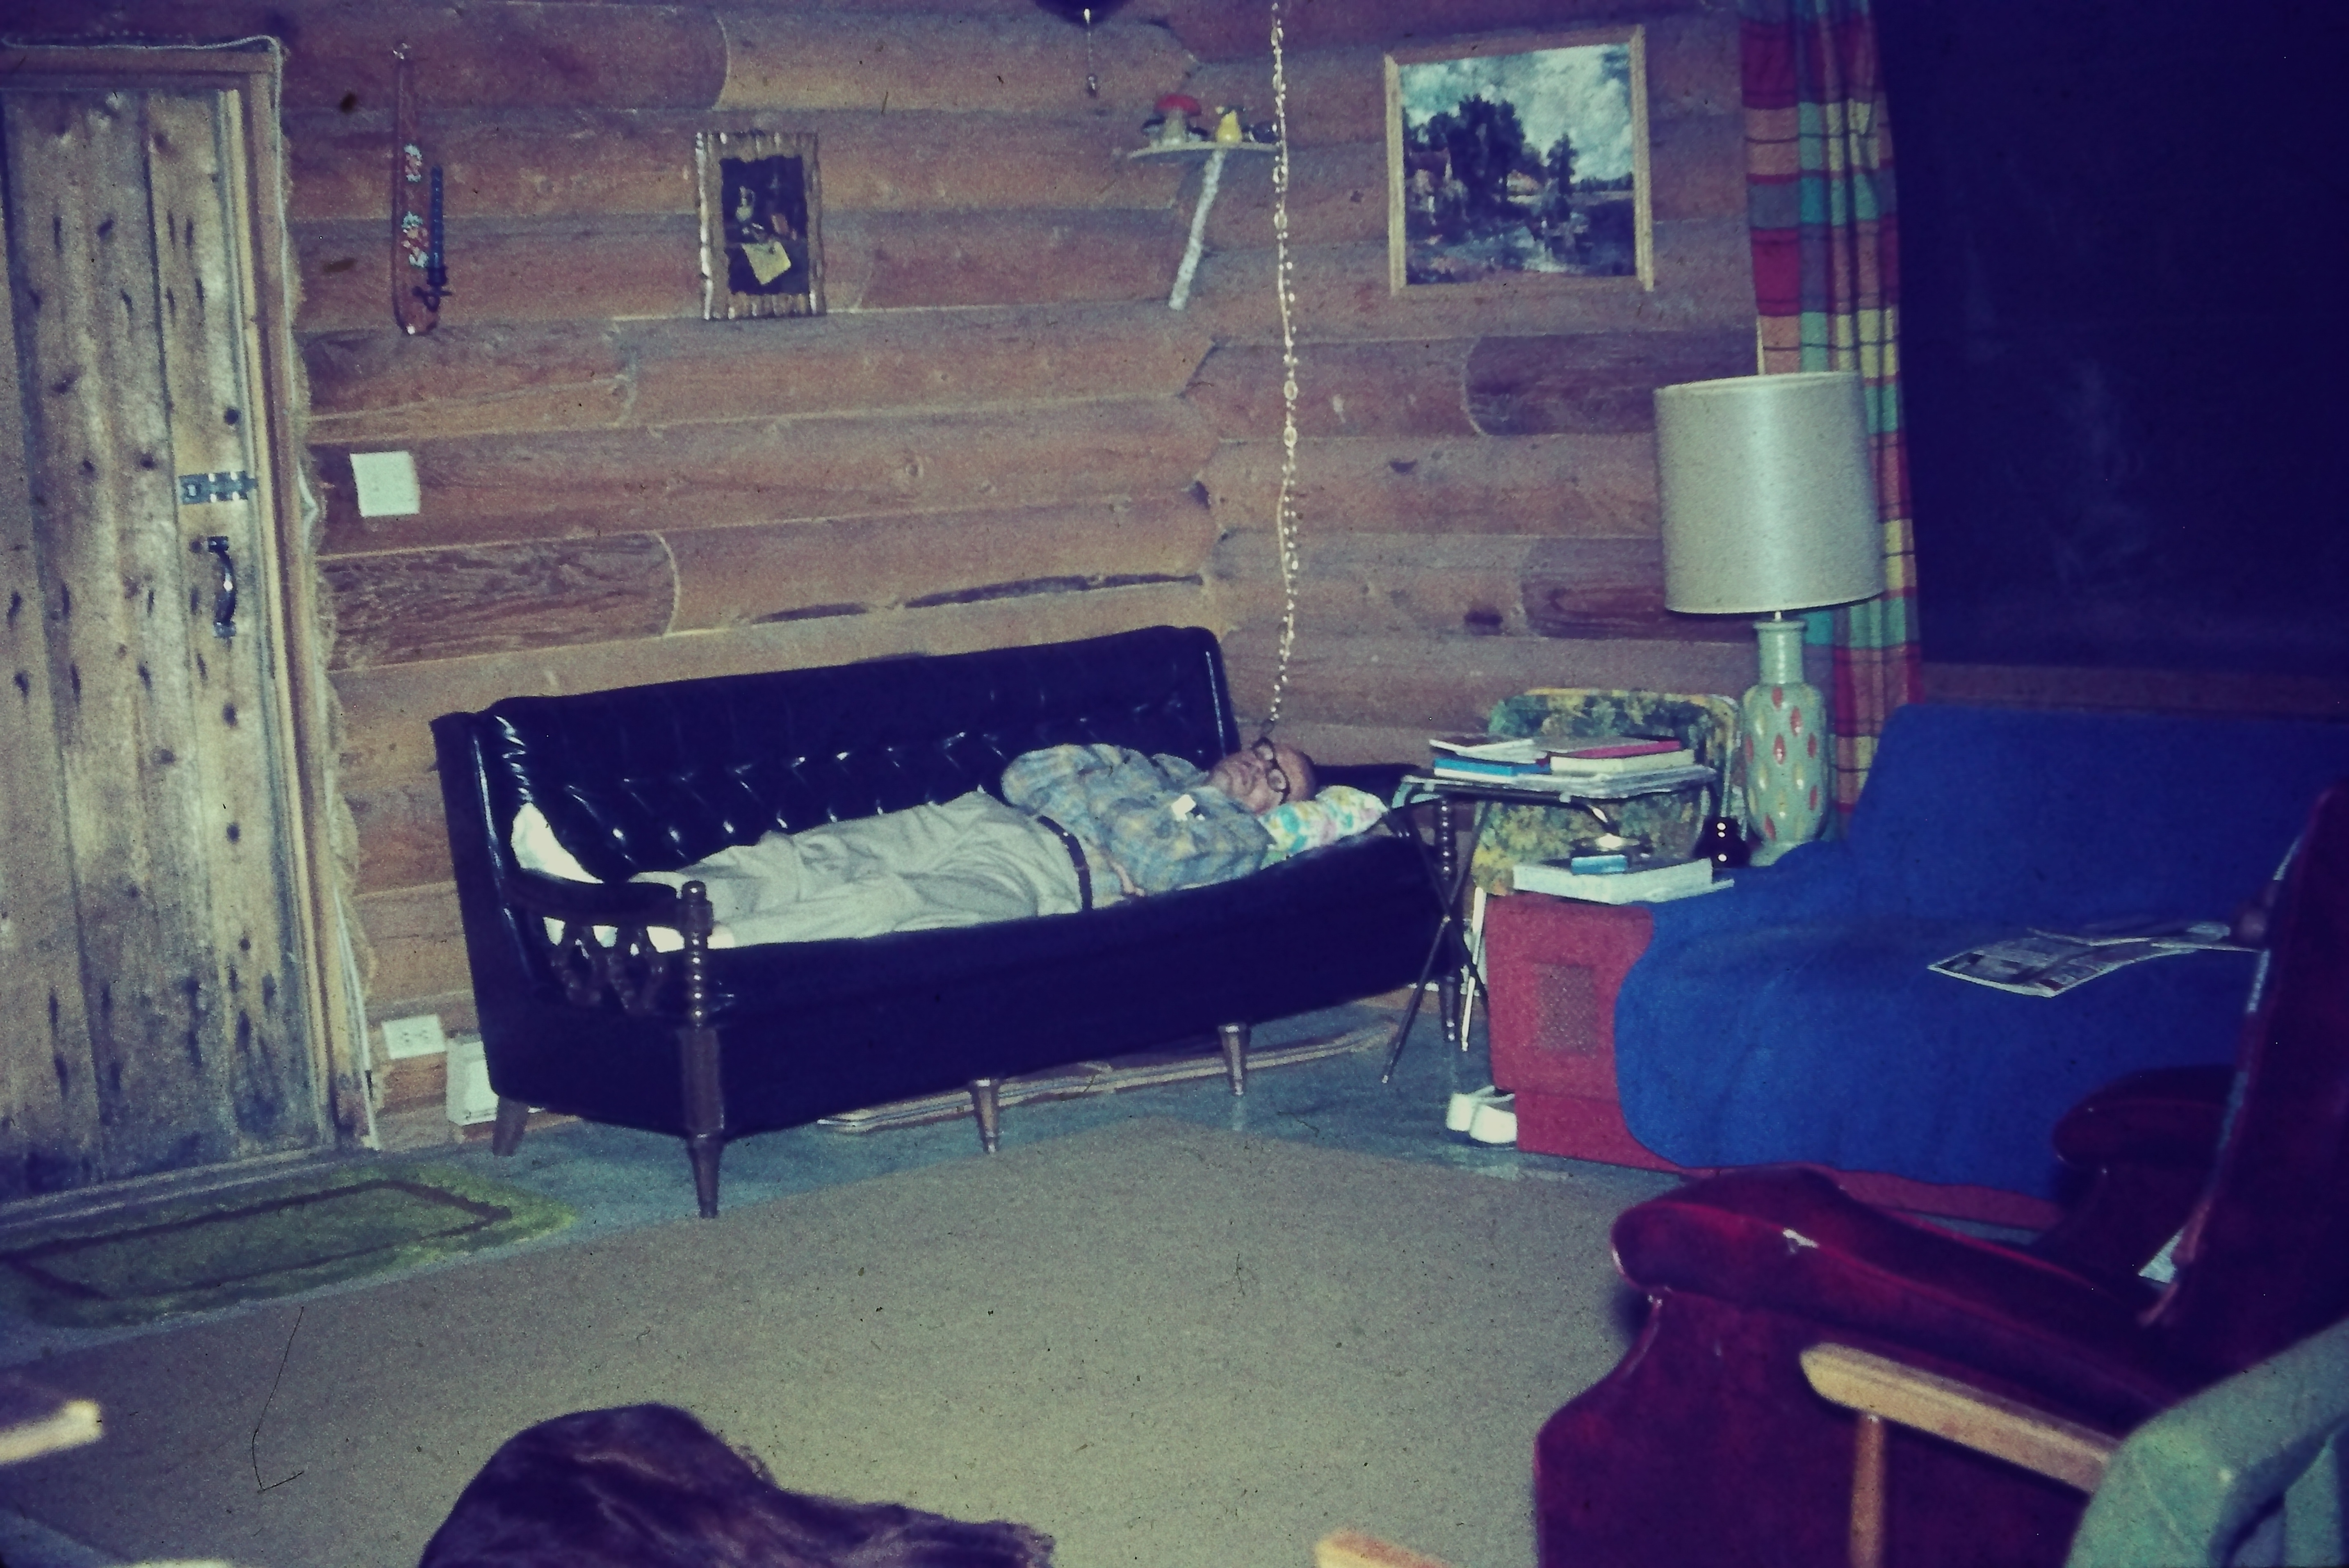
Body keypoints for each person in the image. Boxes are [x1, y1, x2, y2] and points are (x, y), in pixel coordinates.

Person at [512, 738, 1359, 949]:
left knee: (892, 903)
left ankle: (693, 944)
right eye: (1263, 750)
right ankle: (617, 899)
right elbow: (1031, 772)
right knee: (803, 853)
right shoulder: (1151, 761)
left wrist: (1199, 803)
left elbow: (1157, 857)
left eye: (1279, 783)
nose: (1259, 769)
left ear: (1276, 812)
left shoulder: (1238, 844)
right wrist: (1140, 797)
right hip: (982, 816)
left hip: (1050, 877)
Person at [415, 1403, 1054, 1567]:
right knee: (769, 1540)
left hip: (560, 1464)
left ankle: (953, 1542)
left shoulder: (566, 1458)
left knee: (770, 1536)